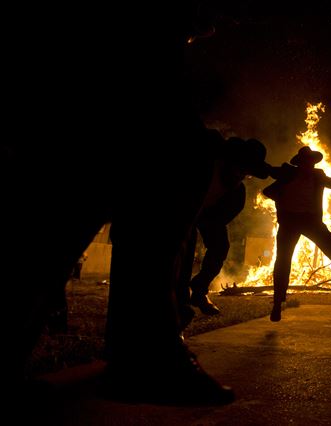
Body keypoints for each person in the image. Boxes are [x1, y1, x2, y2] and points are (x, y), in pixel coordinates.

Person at [6, 2, 237, 409]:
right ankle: (146, 354)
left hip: (99, 73)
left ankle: (142, 352)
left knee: (57, 207)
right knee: (171, 156)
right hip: (110, 70)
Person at [263, 146, 331, 322]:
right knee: (283, 260)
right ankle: (277, 304)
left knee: (329, 243)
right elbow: (268, 191)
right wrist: (282, 200)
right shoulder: (287, 175)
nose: (310, 166)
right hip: (289, 221)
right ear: (300, 164)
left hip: (310, 220)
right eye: (307, 162)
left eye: (312, 163)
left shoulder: (318, 176)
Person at [176, 134, 271, 330]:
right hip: (180, 212)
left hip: (205, 216)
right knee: (181, 260)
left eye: (246, 172)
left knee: (220, 246)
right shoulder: (204, 168)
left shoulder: (238, 192)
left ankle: (199, 289)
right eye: (239, 168)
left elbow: (221, 219)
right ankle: (179, 308)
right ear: (230, 160)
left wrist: (208, 227)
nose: (241, 175)